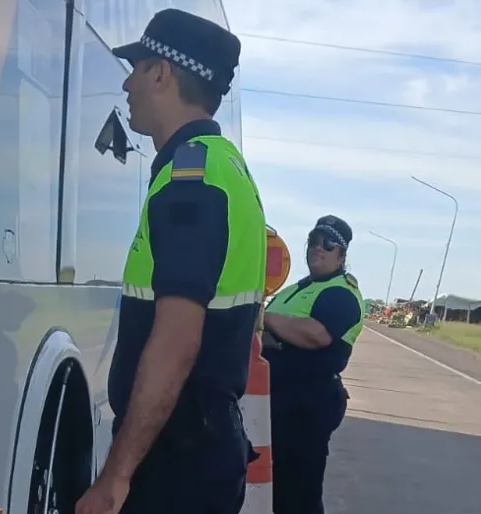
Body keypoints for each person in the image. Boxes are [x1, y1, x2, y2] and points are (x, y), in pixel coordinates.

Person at [75, 8, 266, 514]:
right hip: (199, 450)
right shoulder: (225, 168)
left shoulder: (192, 183)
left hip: (176, 465)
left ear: (162, 73)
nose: (126, 84)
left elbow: (176, 342)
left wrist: (115, 477)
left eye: (136, 67)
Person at [261, 215, 365, 514]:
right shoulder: (296, 288)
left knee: (298, 493)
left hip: (307, 404)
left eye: (329, 243)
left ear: (342, 255)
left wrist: (265, 318)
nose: (319, 248)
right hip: (278, 399)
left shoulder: (341, 292)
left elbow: (316, 335)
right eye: (314, 241)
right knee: (272, 487)